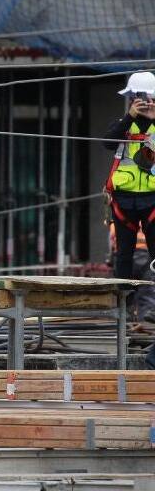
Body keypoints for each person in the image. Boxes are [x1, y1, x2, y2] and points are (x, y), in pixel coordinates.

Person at [104, 71, 155, 370]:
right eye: (134, 99)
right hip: (123, 199)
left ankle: (150, 313)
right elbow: (108, 143)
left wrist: (150, 120)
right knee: (122, 260)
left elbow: (146, 159)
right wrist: (131, 118)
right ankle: (121, 309)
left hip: (151, 200)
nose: (138, 103)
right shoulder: (123, 125)